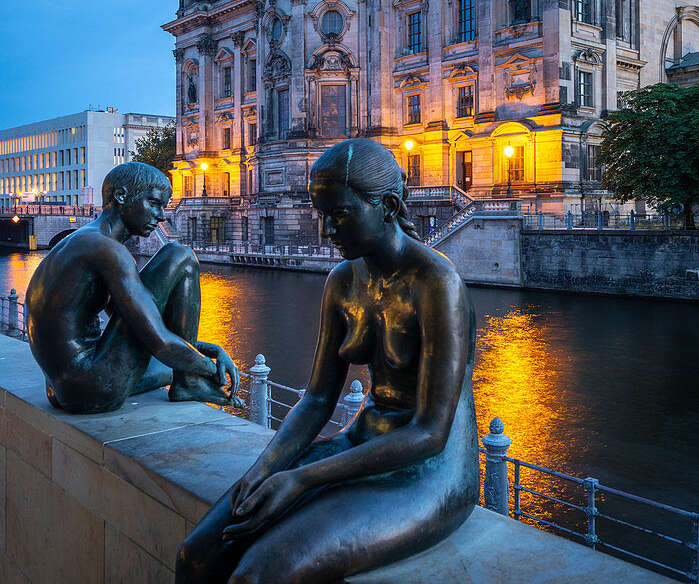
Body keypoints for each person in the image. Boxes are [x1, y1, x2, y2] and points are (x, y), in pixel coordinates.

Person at [176, 138, 479, 584]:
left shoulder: (437, 283)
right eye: (322, 215)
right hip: (365, 441)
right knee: (196, 555)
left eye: (338, 215)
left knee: (259, 576)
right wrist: (265, 469)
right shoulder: (342, 280)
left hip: (430, 470)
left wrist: (302, 480)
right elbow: (318, 399)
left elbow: (431, 433)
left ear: (389, 206)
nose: (326, 231)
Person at [26, 161, 240, 415]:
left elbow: (139, 326)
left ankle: (186, 379)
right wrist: (212, 369)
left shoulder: (83, 240)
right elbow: (159, 342)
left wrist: (213, 350)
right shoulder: (109, 251)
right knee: (179, 255)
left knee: (169, 366)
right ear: (121, 196)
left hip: (61, 387)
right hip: (93, 387)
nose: (161, 215)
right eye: (154, 203)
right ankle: (188, 383)